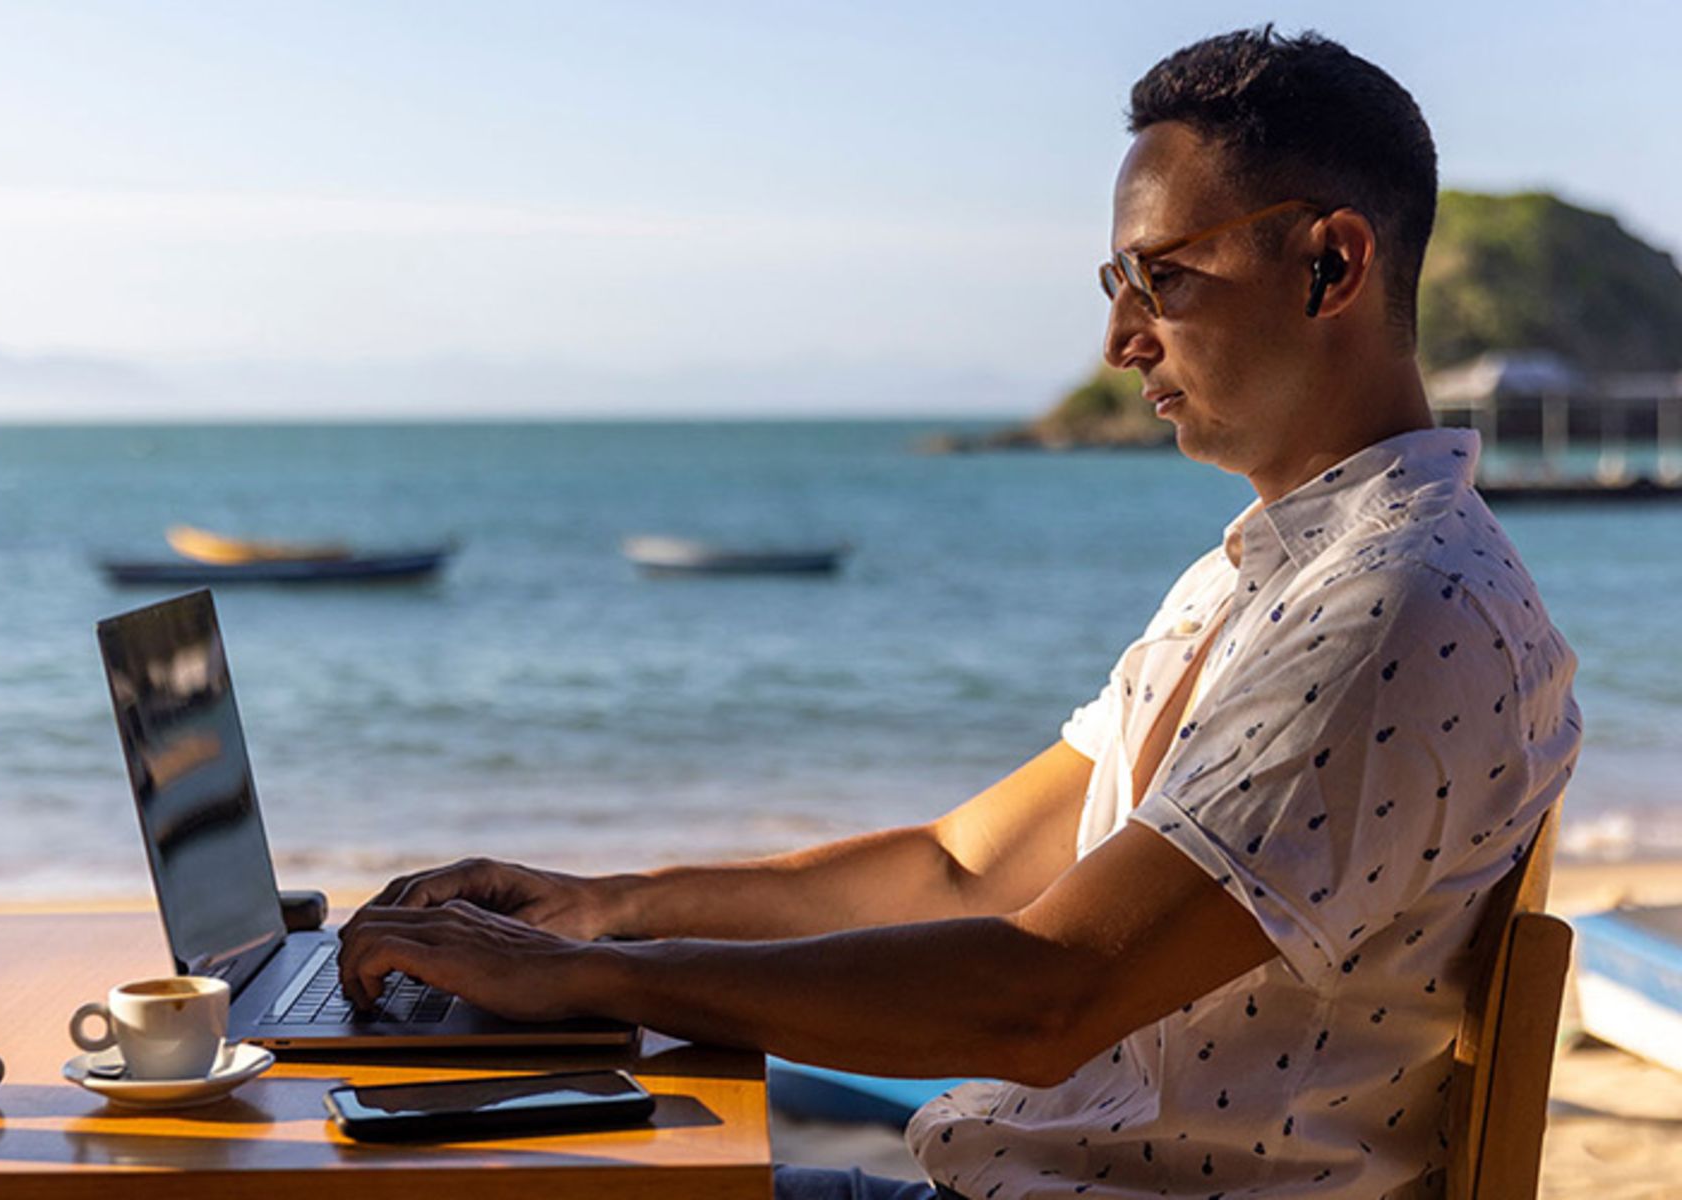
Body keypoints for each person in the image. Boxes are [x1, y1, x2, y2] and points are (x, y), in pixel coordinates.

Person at [337, 26, 1580, 1199]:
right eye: (1117, 279)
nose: (1119, 339)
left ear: (1332, 264)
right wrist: (599, 907)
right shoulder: (1269, 578)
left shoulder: (1392, 609)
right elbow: (964, 866)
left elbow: (1041, 1002)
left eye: (1164, 276)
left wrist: (588, 978)